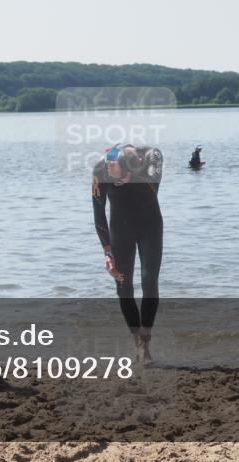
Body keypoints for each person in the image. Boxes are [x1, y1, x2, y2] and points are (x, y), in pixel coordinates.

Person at [92, 144, 163, 366]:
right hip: (120, 231)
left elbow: (153, 183)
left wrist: (132, 180)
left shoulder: (151, 160)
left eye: (114, 167)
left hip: (149, 227)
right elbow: (98, 211)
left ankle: (147, 339)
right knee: (123, 286)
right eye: (108, 165)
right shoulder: (100, 170)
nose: (109, 170)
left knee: (149, 281)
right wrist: (107, 250)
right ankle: (138, 343)